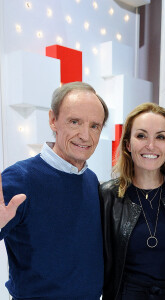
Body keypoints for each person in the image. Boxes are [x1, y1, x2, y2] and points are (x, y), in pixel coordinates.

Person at [0, 81, 109, 300]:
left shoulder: (91, 180)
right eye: (74, 122)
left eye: (94, 126)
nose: (85, 136)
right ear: (53, 120)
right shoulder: (20, 178)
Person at [99, 102, 165, 300]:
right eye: (141, 135)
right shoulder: (107, 195)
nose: (151, 145)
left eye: (160, 137)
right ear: (128, 144)